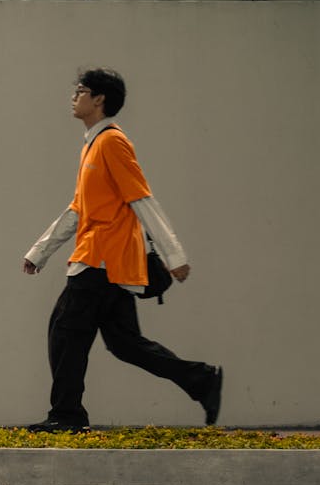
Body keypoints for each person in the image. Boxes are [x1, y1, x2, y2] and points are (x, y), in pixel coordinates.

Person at [21, 67, 223, 433]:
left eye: (81, 90)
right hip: (105, 262)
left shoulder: (112, 143)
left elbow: (141, 198)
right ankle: (201, 379)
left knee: (65, 331)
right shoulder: (92, 145)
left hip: (101, 260)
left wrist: (174, 256)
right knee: (125, 344)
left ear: (99, 99)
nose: (74, 96)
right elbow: (79, 208)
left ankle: (67, 415)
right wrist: (40, 251)